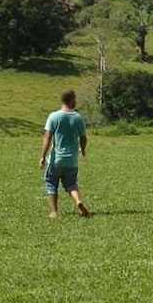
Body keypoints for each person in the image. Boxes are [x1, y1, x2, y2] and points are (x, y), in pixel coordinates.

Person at [38, 89, 89, 218]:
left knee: (51, 182)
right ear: (72, 100)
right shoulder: (78, 118)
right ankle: (78, 201)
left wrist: (43, 157)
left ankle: (54, 211)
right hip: (72, 160)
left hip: (56, 159)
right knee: (71, 183)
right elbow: (83, 138)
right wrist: (82, 150)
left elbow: (47, 138)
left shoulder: (54, 116)